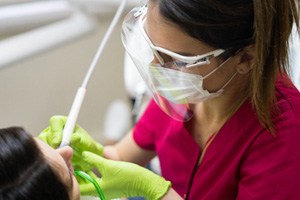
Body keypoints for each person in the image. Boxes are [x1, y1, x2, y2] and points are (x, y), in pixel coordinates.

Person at [39, 0, 300, 199]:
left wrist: (157, 191)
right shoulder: (186, 92)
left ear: (245, 58)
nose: (156, 67)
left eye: (176, 60)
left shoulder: (285, 135)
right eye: (154, 49)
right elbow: (121, 155)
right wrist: (92, 153)